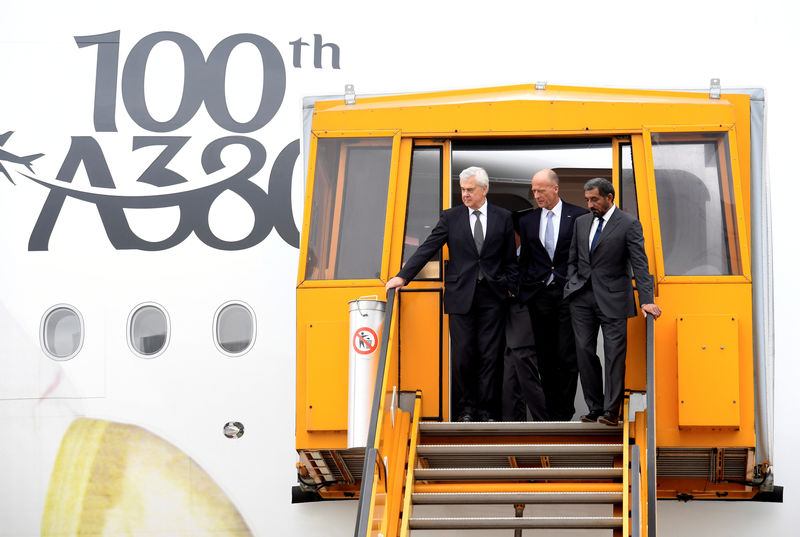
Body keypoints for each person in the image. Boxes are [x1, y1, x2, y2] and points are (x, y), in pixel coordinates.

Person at [386, 166, 517, 422]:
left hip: (493, 296)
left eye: (470, 190)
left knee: (491, 356)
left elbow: (510, 259)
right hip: (461, 295)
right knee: (463, 355)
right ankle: (466, 410)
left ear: (484, 189)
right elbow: (428, 247)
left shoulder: (503, 217)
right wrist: (403, 276)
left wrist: (510, 286)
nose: (465, 195)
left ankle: (488, 412)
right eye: (462, 190)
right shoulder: (451, 217)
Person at [564, 177, 662, 426]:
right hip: (582, 298)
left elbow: (640, 263)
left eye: (594, 199)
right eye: (587, 199)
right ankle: (594, 407)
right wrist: (572, 283)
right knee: (584, 352)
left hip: (614, 298)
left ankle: (611, 412)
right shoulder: (581, 223)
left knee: (614, 354)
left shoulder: (629, 224)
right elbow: (573, 258)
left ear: (609, 198)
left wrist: (646, 300)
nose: (590, 204)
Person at [518, 169, 587, 421]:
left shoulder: (579, 216)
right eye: (534, 191)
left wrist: (578, 285)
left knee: (568, 356)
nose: (536, 195)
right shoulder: (527, 221)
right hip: (539, 296)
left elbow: (583, 257)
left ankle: (564, 412)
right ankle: (549, 415)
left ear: (555, 189)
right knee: (545, 357)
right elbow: (525, 259)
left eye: (541, 190)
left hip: (569, 295)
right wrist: (524, 289)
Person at [503, 213, 548, 422]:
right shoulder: (504, 256)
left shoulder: (531, 254)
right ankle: (513, 424)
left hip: (525, 318)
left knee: (525, 370)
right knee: (510, 375)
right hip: (506, 320)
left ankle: (542, 422)